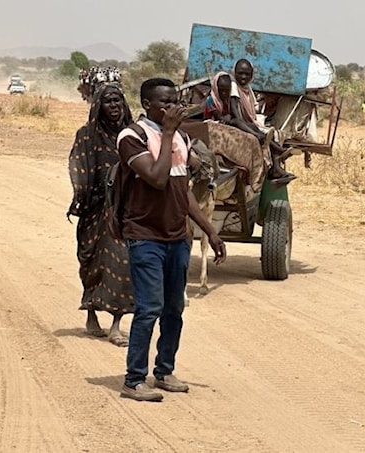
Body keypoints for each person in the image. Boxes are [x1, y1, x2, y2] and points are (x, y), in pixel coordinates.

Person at [116, 78, 227, 402]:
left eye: (175, 101)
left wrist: (209, 229)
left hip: (177, 237)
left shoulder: (180, 137)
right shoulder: (132, 137)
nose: (173, 108)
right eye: (165, 103)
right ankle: (134, 380)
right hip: (145, 236)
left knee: (174, 310)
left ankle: (164, 371)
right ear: (147, 105)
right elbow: (157, 177)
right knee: (149, 308)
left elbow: (181, 190)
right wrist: (165, 133)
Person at [67, 83, 135, 347]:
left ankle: (116, 325)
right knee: (90, 263)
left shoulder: (131, 135)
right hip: (94, 210)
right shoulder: (86, 135)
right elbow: (79, 171)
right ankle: (92, 315)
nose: (114, 106)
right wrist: (83, 199)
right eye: (108, 101)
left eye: (118, 100)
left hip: (124, 211)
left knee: (121, 263)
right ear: (98, 106)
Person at [229, 58, 296, 184]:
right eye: (240, 73)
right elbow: (236, 114)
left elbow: (255, 109)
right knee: (263, 135)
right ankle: (276, 158)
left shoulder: (248, 88)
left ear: (251, 75)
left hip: (250, 121)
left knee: (274, 132)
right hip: (240, 122)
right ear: (234, 73)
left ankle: (275, 166)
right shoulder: (234, 87)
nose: (243, 77)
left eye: (247, 74)